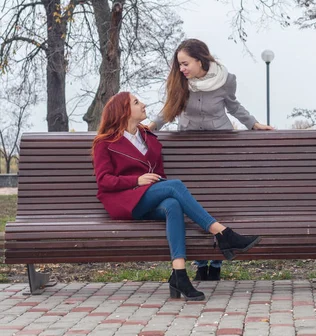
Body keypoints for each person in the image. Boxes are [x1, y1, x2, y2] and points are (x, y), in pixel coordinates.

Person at [92, 91, 262, 301]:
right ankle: (222, 233)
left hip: (148, 198)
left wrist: (150, 184)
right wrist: (136, 181)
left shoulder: (147, 137)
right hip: (125, 201)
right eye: (137, 102)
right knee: (174, 186)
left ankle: (179, 275)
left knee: (172, 204)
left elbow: (159, 175)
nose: (143, 104)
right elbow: (104, 180)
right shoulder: (105, 142)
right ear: (124, 111)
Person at [148, 39, 273, 281]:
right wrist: (151, 126)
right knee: (195, 199)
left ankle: (216, 261)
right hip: (189, 145)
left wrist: (254, 124)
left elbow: (234, 107)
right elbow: (169, 108)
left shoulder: (226, 79)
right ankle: (200, 260)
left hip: (220, 145)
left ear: (200, 59)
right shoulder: (180, 81)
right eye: (179, 64)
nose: (181, 68)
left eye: (185, 63)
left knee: (220, 197)